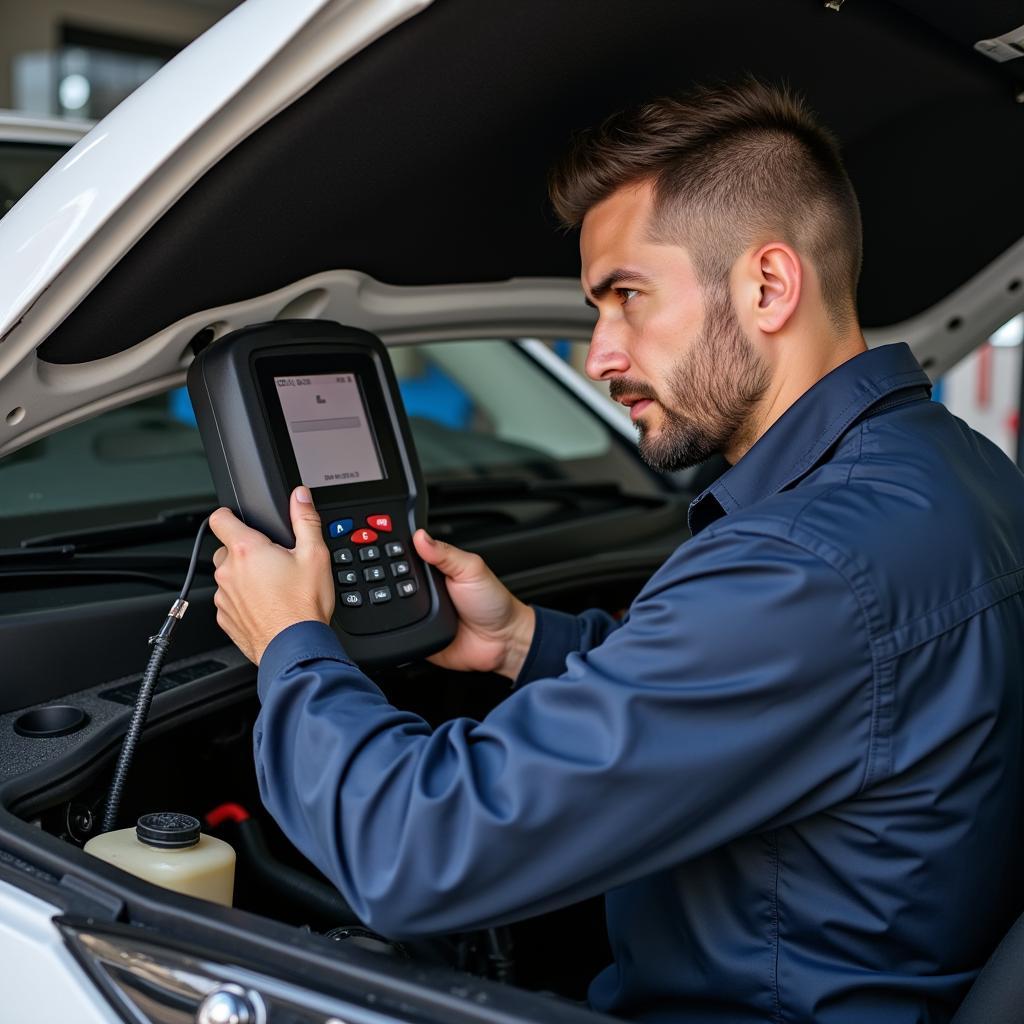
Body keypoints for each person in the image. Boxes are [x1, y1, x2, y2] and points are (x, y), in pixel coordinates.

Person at [208, 80, 1024, 1023]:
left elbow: (418, 849)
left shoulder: (805, 567)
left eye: (627, 297)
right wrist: (524, 642)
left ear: (768, 285)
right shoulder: (958, 470)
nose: (599, 355)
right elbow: (783, 695)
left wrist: (290, 646)